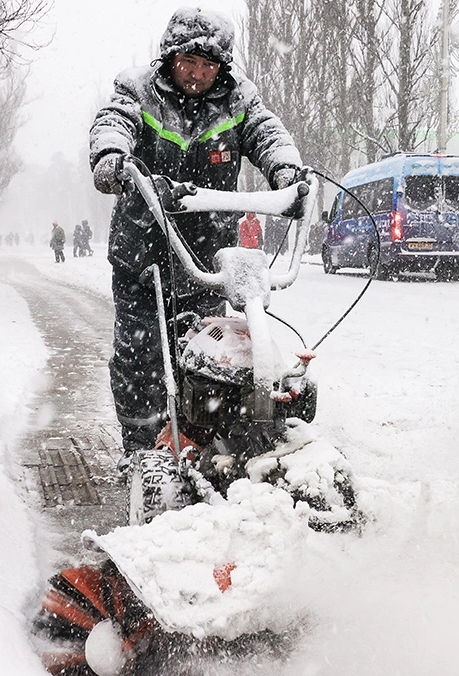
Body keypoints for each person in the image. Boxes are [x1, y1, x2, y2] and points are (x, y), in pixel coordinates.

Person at [89, 6, 302, 456]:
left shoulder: (238, 100)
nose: (198, 74)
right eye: (189, 62)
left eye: (208, 65)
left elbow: (267, 133)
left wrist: (287, 171)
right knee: (141, 358)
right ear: (170, 57)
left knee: (209, 353)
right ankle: (141, 447)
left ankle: (198, 441)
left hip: (205, 259)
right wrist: (112, 156)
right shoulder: (138, 90)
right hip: (142, 254)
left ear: (221, 67)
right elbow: (114, 121)